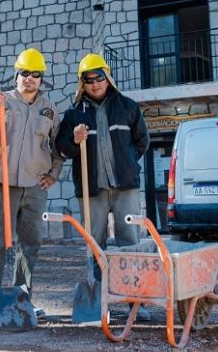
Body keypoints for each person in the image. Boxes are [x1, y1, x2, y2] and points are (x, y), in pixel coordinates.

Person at [0, 48, 63, 326]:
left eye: (35, 74)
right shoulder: (2, 101)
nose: (30, 78)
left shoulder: (49, 108)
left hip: (35, 186)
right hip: (3, 183)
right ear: (16, 75)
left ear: (41, 78)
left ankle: (21, 299)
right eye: (25, 73)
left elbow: (58, 145)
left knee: (30, 245)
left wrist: (53, 174)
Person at [55, 53, 150, 321]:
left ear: (107, 79)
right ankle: (98, 300)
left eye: (99, 78)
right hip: (91, 191)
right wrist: (73, 139)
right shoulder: (74, 114)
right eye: (89, 79)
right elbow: (62, 149)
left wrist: (128, 164)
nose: (95, 84)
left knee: (129, 242)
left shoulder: (128, 106)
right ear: (82, 84)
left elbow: (142, 141)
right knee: (94, 244)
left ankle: (135, 302)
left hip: (125, 188)